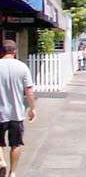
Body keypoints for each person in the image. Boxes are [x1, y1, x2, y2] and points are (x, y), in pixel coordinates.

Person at [0, 40, 36, 177]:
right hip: (17, 113)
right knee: (15, 144)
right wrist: (32, 108)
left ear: (2, 51)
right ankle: (12, 172)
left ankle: (2, 161)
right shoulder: (22, 67)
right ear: (14, 52)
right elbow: (29, 91)